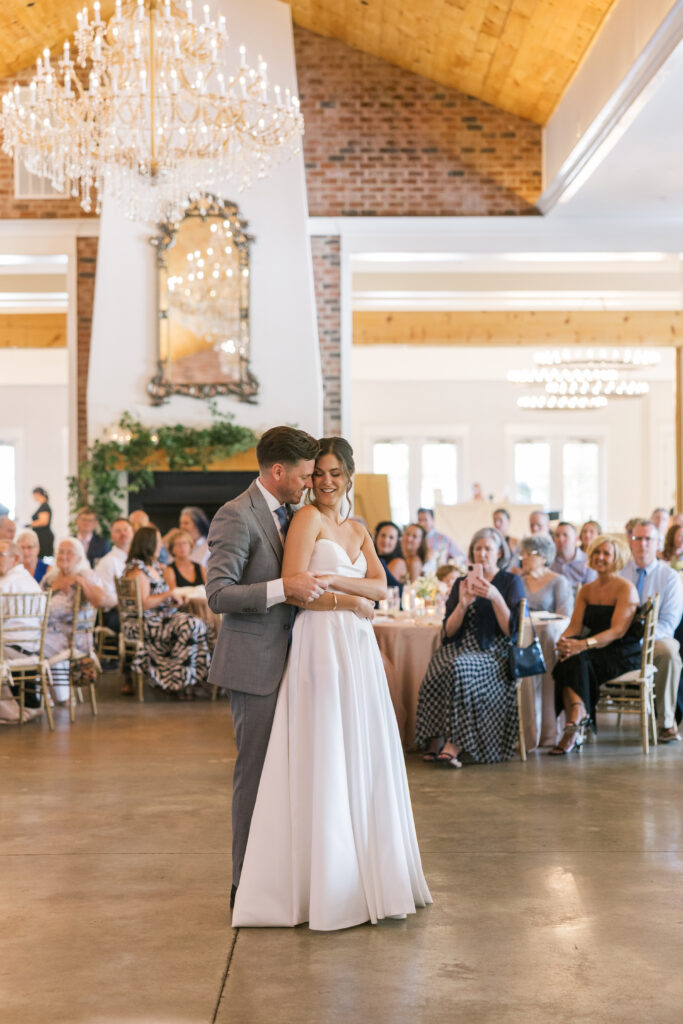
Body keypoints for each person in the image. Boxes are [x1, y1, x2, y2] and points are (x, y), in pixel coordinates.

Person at [232, 436, 431, 929]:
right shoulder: (306, 519)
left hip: (357, 646)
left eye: (334, 473)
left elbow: (383, 588)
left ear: (349, 476)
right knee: (326, 750)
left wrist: (341, 585)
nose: (323, 481)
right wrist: (351, 601)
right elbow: (298, 591)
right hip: (321, 641)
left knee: (362, 748)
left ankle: (365, 874)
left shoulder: (358, 527)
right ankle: (323, 881)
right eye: (316, 473)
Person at [206, 426, 325, 910]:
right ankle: (244, 885)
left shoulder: (300, 513)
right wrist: (283, 589)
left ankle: (284, 874)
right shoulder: (235, 515)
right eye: (303, 475)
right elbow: (218, 595)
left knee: (293, 774)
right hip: (254, 666)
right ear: (278, 471)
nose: (310, 484)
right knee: (254, 775)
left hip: (299, 662)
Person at [415, 527, 522, 767]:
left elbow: (511, 632)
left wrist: (495, 597)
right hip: (460, 646)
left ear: (499, 553)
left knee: (460, 668)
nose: (482, 554)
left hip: (494, 652)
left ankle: (455, 743)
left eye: (488, 549)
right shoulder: (462, 583)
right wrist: (462, 604)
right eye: (478, 548)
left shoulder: (510, 581)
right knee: (437, 666)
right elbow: (448, 632)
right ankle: (433, 737)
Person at [551, 535, 640, 755]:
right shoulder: (587, 590)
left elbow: (617, 631)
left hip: (620, 651)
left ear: (617, 558)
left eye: (606, 554)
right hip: (593, 649)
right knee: (567, 656)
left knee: (577, 657)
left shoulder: (625, 588)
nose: (600, 558)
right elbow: (574, 626)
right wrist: (564, 641)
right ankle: (578, 717)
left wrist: (582, 645)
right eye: (596, 553)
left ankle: (574, 725)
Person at [123, 526, 212, 697]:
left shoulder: (152, 567)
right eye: (157, 542)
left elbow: (157, 598)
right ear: (149, 544)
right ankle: (179, 681)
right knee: (192, 624)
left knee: (201, 623)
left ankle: (192, 679)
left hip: (161, 617)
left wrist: (172, 600)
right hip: (145, 623)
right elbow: (144, 603)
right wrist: (170, 593)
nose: (160, 546)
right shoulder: (137, 570)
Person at [620, 519, 683, 743]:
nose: (643, 544)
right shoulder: (620, 573)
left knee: (669, 651)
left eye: (648, 539)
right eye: (638, 538)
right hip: (620, 638)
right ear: (630, 541)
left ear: (657, 543)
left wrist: (643, 642)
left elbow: (669, 622)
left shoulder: (670, 577)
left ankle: (666, 722)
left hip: (655, 638)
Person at [42, 538, 106, 703]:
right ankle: (40, 696)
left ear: (79, 557)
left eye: (69, 552)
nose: (63, 556)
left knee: (34, 646)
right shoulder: (50, 578)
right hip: (46, 630)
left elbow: (100, 601)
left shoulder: (86, 575)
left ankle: (45, 696)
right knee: (25, 644)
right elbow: (36, 602)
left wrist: (82, 583)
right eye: (60, 552)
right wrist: (55, 588)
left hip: (72, 635)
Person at [0, 540, 43, 719]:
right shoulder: (31, 582)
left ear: (15, 558)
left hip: (9, 649)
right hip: (33, 649)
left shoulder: (4, 584)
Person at [519, 535, 573, 617]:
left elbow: (565, 617)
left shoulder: (559, 582)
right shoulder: (520, 581)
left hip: (550, 628)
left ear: (544, 557)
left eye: (529, 554)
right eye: (522, 554)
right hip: (522, 628)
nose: (524, 558)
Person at [550, 521, 597, 591]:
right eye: (557, 535)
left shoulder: (588, 562)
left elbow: (591, 593)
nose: (560, 539)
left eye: (565, 535)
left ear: (576, 539)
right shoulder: (549, 562)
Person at [373, 520, 405, 594]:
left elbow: (381, 586)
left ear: (397, 542)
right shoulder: (371, 557)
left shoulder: (398, 562)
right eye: (383, 535)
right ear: (377, 536)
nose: (386, 540)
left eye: (391, 537)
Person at [30, 487, 54, 558]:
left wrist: (30, 525)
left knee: (44, 557)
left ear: (38, 494)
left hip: (44, 537)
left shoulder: (45, 506)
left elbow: (43, 522)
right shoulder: (42, 506)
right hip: (40, 536)